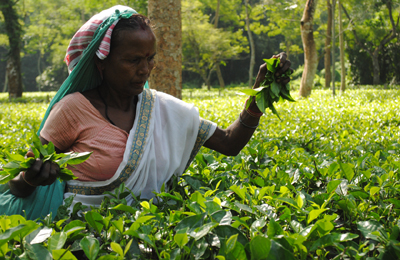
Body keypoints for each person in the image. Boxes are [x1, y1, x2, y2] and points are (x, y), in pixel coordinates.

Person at [0, 5, 291, 220]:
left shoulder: (161, 107)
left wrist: (259, 98)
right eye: (133, 60)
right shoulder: (73, 110)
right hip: (80, 242)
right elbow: (18, 183)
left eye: (150, 59)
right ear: (101, 62)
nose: (145, 69)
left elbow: (229, 143)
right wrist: (31, 178)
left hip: (147, 238)